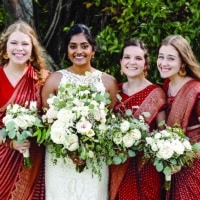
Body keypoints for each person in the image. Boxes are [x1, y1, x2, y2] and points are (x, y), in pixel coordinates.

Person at [41, 23, 118, 200]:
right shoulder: (55, 80)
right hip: (60, 159)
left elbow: (110, 121)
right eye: (73, 46)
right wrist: (68, 146)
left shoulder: (107, 82)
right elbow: (46, 121)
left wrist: (89, 144)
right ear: (67, 50)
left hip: (94, 158)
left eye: (84, 46)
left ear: (93, 49)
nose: (79, 51)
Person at [109, 39, 166, 200]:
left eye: (138, 58)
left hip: (146, 169)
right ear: (121, 62)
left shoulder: (156, 94)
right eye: (127, 57)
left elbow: (162, 136)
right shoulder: (115, 92)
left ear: (146, 64)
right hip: (118, 166)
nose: (131, 62)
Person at [0, 20, 49, 200]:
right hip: (2, 159)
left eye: (24, 44)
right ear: (5, 49)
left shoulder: (42, 79)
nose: (19, 48)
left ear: (32, 49)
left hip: (33, 158)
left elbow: (51, 119)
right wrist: (10, 142)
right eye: (13, 43)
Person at [157, 35, 200, 200]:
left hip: (193, 167)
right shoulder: (167, 85)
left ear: (183, 62)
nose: (163, 63)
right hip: (171, 166)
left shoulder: (196, 91)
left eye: (170, 58)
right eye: (161, 57)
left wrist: (184, 156)